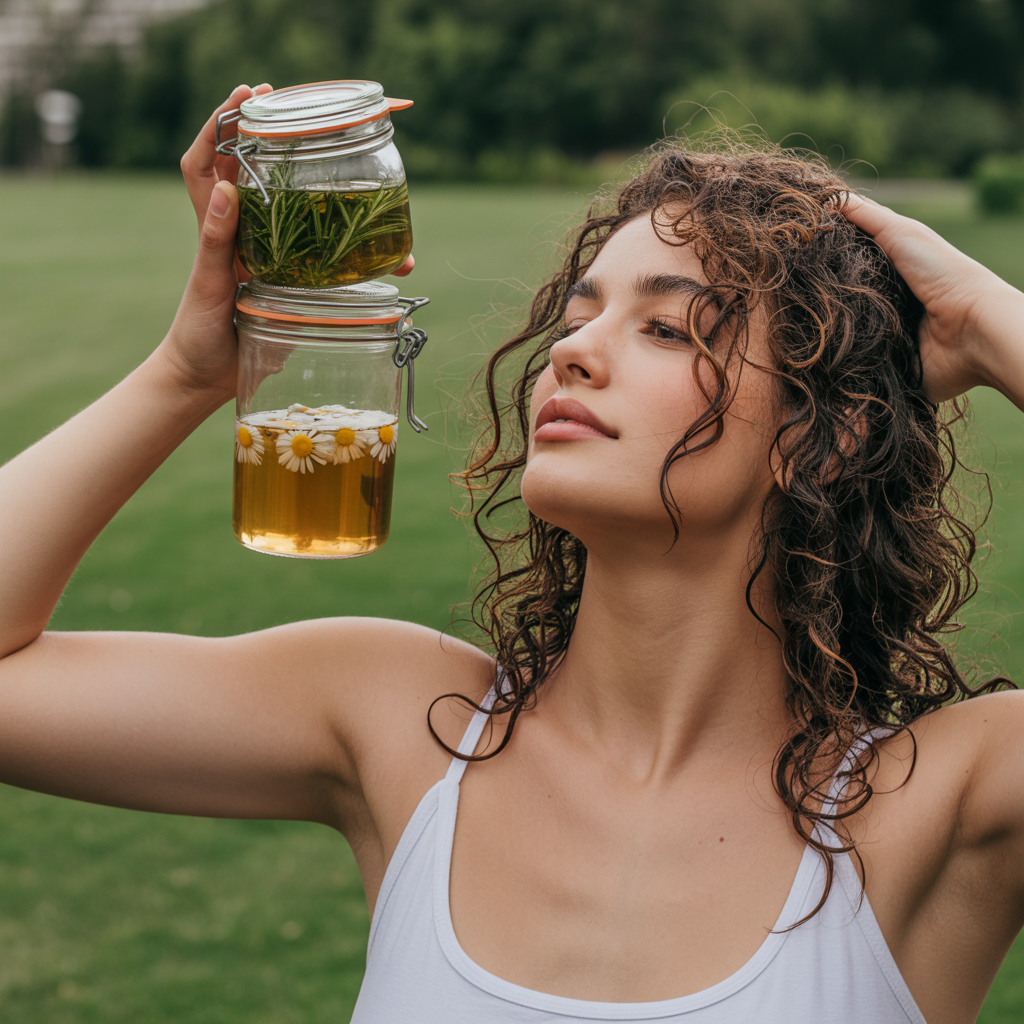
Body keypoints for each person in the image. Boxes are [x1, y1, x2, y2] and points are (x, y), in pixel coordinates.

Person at [2, 84, 1023, 1024]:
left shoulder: (940, 805)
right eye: (578, 316)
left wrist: (988, 321)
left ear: (826, 436)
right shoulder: (404, 725)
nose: (571, 351)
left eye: (668, 329)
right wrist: (188, 371)